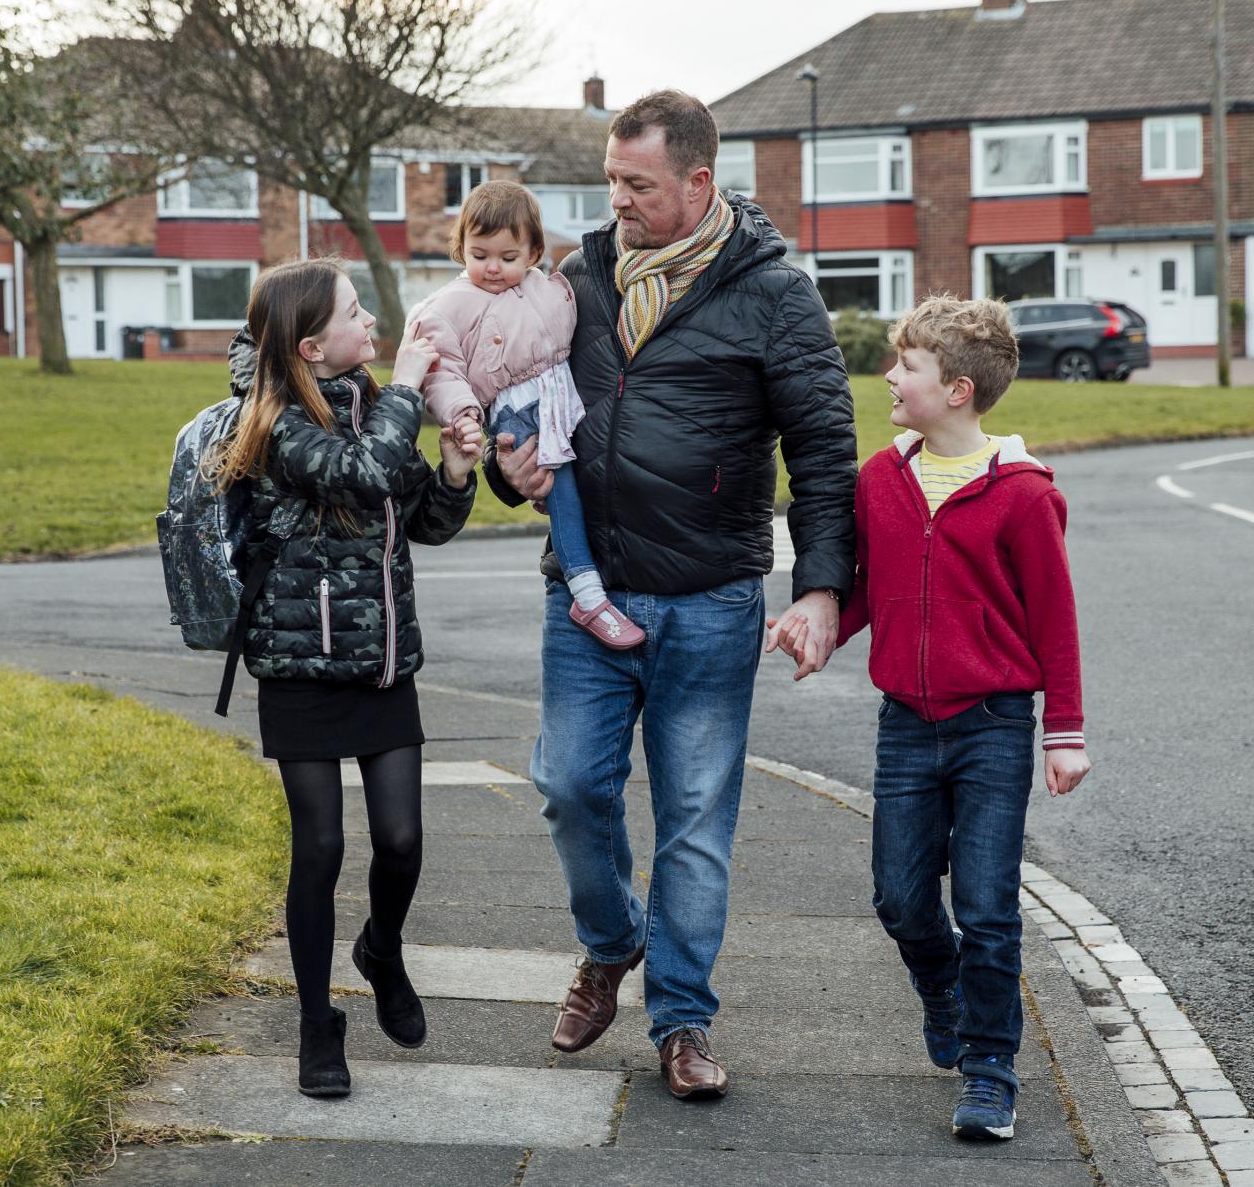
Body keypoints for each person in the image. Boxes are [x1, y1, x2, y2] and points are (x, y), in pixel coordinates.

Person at [486, 90, 857, 1100]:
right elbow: (517, 407)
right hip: (587, 593)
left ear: (698, 182)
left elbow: (825, 451)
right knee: (568, 785)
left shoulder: (774, 294)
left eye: (637, 185)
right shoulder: (571, 283)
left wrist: (820, 587)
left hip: (709, 600)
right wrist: (503, 467)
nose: (618, 203)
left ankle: (682, 1021)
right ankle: (611, 942)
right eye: (610, 182)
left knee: (694, 818)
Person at [805, 293, 1091, 1141]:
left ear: (958, 390)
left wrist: (1064, 732)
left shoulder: (1023, 496)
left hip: (995, 725)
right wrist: (820, 623)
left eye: (910, 366)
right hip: (905, 726)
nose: (891, 376)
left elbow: (1056, 619)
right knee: (898, 897)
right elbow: (870, 589)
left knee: (989, 907)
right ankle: (944, 990)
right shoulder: (880, 480)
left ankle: (991, 1071)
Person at [214, 258, 479, 1098]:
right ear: (310, 345)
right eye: (357, 314)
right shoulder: (272, 421)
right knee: (320, 847)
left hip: (380, 661)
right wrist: (407, 390)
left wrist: (456, 470)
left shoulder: (369, 402)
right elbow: (358, 473)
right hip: (299, 664)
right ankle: (315, 1026)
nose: (373, 325)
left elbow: (418, 521)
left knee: (401, 839)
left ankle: (383, 950)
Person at [408, 180, 642, 649]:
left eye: (507, 257)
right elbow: (442, 370)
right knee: (563, 487)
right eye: (479, 255)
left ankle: (606, 569)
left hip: (559, 397)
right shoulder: (447, 305)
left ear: (534, 251)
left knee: (593, 473)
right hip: (517, 406)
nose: (492, 268)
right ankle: (585, 590)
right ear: (461, 249)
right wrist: (464, 413)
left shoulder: (549, 285)